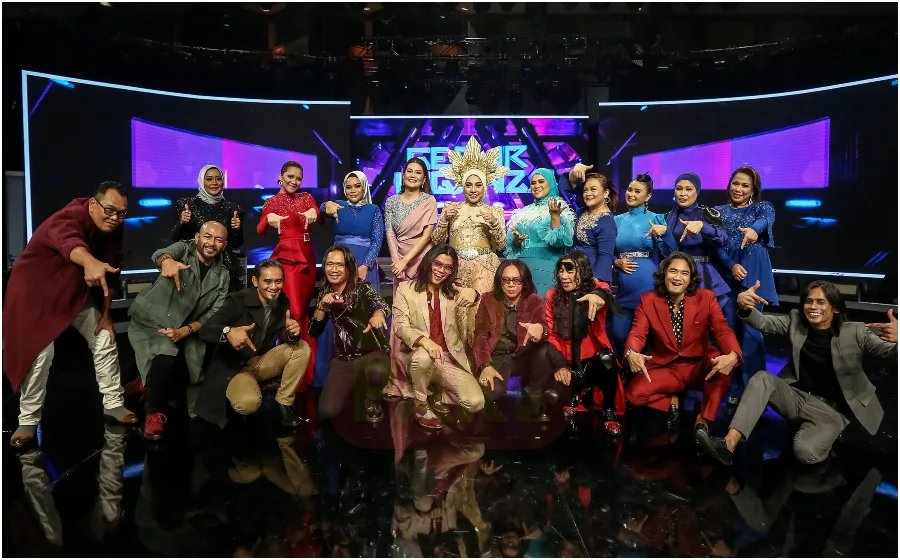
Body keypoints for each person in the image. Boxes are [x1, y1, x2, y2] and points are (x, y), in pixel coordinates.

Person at [697, 280, 898, 466]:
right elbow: (764, 322)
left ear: (835, 308)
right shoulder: (796, 322)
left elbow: (889, 352)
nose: (813, 306)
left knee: (805, 453)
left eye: (821, 302)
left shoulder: (856, 332)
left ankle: (826, 435)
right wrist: (745, 307)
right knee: (762, 379)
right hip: (797, 399)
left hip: (831, 412)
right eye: (809, 301)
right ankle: (728, 445)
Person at [4, 182, 138, 448]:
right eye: (110, 210)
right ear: (93, 204)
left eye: (121, 213)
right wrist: (90, 262)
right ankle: (28, 420)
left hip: (71, 291)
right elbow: (70, 243)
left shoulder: (114, 228)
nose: (115, 217)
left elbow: (111, 273)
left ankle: (114, 403)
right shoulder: (66, 218)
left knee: (104, 337)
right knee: (41, 354)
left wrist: (106, 315)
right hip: (34, 295)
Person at [128, 221, 231, 440]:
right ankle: (152, 413)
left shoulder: (223, 275)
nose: (211, 243)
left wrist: (186, 331)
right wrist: (167, 262)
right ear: (197, 237)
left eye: (218, 240)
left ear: (224, 245)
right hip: (153, 320)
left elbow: (213, 312)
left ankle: (144, 383)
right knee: (165, 356)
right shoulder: (183, 250)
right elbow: (161, 254)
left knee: (193, 370)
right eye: (207, 237)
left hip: (185, 326)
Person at [623, 252, 742, 435]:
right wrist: (631, 352)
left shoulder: (707, 297)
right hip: (667, 366)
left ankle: (704, 420)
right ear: (664, 274)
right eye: (673, 271)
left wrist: (732, 354)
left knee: (722, 367)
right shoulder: (648, 300)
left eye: (684, 273)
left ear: (691, 278)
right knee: (633, 395)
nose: (678, 278)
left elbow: (722, 328)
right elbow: (637, 333)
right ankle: (672, 400)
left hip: (699, 365)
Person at [195, 259, 312, 429]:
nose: (274, 286)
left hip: (259, 362)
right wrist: (228, 331)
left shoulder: (281, 301)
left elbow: (287, 333)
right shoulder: (237, 300)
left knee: (302, 348)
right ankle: (240, 393)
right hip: (233, 367)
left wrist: (292, 333)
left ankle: (284, 403)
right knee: (248, 404)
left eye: (278, 281)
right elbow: (206, 330)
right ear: (255, 281)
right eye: (267, 281)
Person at [392, 245, 481, 429]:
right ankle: (420, 404)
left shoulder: (452, 292)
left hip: (447, 359)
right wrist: (425, 342)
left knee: (476, 403)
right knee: (424, 357)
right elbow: (400, 326)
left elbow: (474, 298)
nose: (441, 270)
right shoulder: (405, 289)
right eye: (437, 264)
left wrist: (474, 293)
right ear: (429, 262)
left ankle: (436, 392)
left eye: (447, 267)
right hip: (417, 356)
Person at [473, 259, 570, 421]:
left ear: (524, 282)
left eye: (517, 280)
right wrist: (485, 365)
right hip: (498, 355)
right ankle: (493, 405)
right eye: (506, 280)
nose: (511, 285)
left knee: (543, 349)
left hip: (524, 354)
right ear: (500, 281)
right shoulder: (488, 299)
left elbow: (543, 328)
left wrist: (540, 330)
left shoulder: (535, 301)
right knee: (493, 391)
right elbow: (480, 335)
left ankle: (535, 398)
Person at [714, 166, 779, 405]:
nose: (739, 189)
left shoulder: (762, 207)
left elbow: (765, 221)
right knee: (728, 330)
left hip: (753, 273)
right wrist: (731, 265)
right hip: (727, 273)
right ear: (729, 184)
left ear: (753, 190)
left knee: (751, 333)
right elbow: (715, 245)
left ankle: (754, 391)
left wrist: (753, 230)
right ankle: (730, 389)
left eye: (745, 185)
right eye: (735, 183)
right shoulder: (717, 212)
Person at [434, 137, 508, 342]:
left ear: (485, 187)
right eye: (468, 185)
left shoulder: (494, 211)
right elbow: (437, 242)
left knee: (479, 316)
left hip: (484, 267)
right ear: (462, 186)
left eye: (478, 185)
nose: (473, 189)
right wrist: (444, 219)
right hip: (454, 268)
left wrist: (494, 223)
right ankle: (456, 359)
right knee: (453, 317)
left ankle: (480, 358)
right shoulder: (452, 208)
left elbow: (501, 245)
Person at [544, 251, 625, 435]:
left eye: (570, 269)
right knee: (550, 398)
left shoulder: (595, 289)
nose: (564, 275)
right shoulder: (552, 296)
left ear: (583, 270)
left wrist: (597, 295)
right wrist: (558, 365)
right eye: (561, 270)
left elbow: (604, 291)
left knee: (606, 357)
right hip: (566, 364)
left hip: (591, 364)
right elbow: (551, 335)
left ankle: (609, 412)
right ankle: (574, 397)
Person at [257, 160, 322, 389]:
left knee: (303, 312)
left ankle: (306, 373)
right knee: (293, 313)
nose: (294, 181)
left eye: (298, 178)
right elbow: (260, 229)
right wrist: (269, 219)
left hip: (308, 260)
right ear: (280, 176)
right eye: (290, 176)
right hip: (288, 261)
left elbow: (319, 217)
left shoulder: (306, 198)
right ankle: (291, 369)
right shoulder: (272, 202)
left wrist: (315, 212)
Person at [318, 171, 385, 387]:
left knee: (363, 311)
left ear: (364, 187)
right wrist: (326, 204)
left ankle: (367, 372)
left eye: (357, 186)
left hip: (364, 264)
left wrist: (365, 265)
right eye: (349, 187)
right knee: (335, 310)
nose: (353, 190)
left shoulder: (374, 210)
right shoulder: (337, 205)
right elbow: (319, 209)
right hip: (339, 263)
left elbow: (377, 239)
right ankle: (331, 370)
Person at [311, 245, 391, 423]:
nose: (334, 269)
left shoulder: (362, 287)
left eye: (339, 265)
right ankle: (352, 388)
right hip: (345, 357)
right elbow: (314, 331)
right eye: (330, 264)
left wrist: (378, 314)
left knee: (377, 371)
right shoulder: (325, 291)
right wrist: (321, 306)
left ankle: (372, 398)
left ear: (349, 267)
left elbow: (382, 305)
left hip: (371, 352)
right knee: (327, 411)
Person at [384, 157, 438, 398]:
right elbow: (390, 233)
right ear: (403, 174)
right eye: (409, 171)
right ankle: (397, 378)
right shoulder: (391, 201)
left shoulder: (429, 201)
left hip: (422, 260)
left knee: (423, 315)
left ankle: (423, 378)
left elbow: (427, 236)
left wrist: (406, 261)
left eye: (418, 172)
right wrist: (397, 262)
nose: (413, 175)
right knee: (401, 316)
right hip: (399, 264)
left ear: (424, 178)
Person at [606, 174, 677, 353]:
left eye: (637, 191)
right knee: (618, 334)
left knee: (648, 337)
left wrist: (665, 234)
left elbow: (671, 254)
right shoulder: (616, 220)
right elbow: (607, 252)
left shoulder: (656, 219)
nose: (631, 194)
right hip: (622, 287)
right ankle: (626, 369)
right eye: (630, 190)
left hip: (647, 285)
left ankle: (645, 369)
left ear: (648, 196)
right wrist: (616, 261)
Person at [173, 164, 246, 292]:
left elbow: (235, 244)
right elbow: (175, 238)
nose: (214, 183)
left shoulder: (233, 209)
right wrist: (182, 222)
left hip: (222, 265)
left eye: (218, 179)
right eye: (209, 179)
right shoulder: (187, 205)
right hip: (193, 265)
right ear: (202, 181)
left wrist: (237, 229)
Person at [504, 168, 575, 296]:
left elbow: (562, 242)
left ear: (551, 183)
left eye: (541, 181)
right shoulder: (523, 213)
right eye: (533, 183)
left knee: (544, 304)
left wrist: (555, 217)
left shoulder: (560, 208)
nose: (536, 186)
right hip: (523, 268)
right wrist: (516, 242)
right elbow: (511, 249)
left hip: (547, 268)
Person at [665, 172, 730, 309]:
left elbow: (723, 238)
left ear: (697, 192)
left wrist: (703, 226)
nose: (683, 193)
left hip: (700, 275)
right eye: (679, 188)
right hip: (674, 274)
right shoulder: (667, 217)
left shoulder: (705, 214)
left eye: (688, 189)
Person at [568, 164, 618, 285]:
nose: (588, 193)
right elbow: (570, 185)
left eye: (593, 189)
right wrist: (575, 172)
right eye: (585, 190)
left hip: (590, 279)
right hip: (572, 275)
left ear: (606, 193)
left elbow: (605, 257)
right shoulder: (582, 211)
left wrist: (594, 283)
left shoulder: (606, 222)